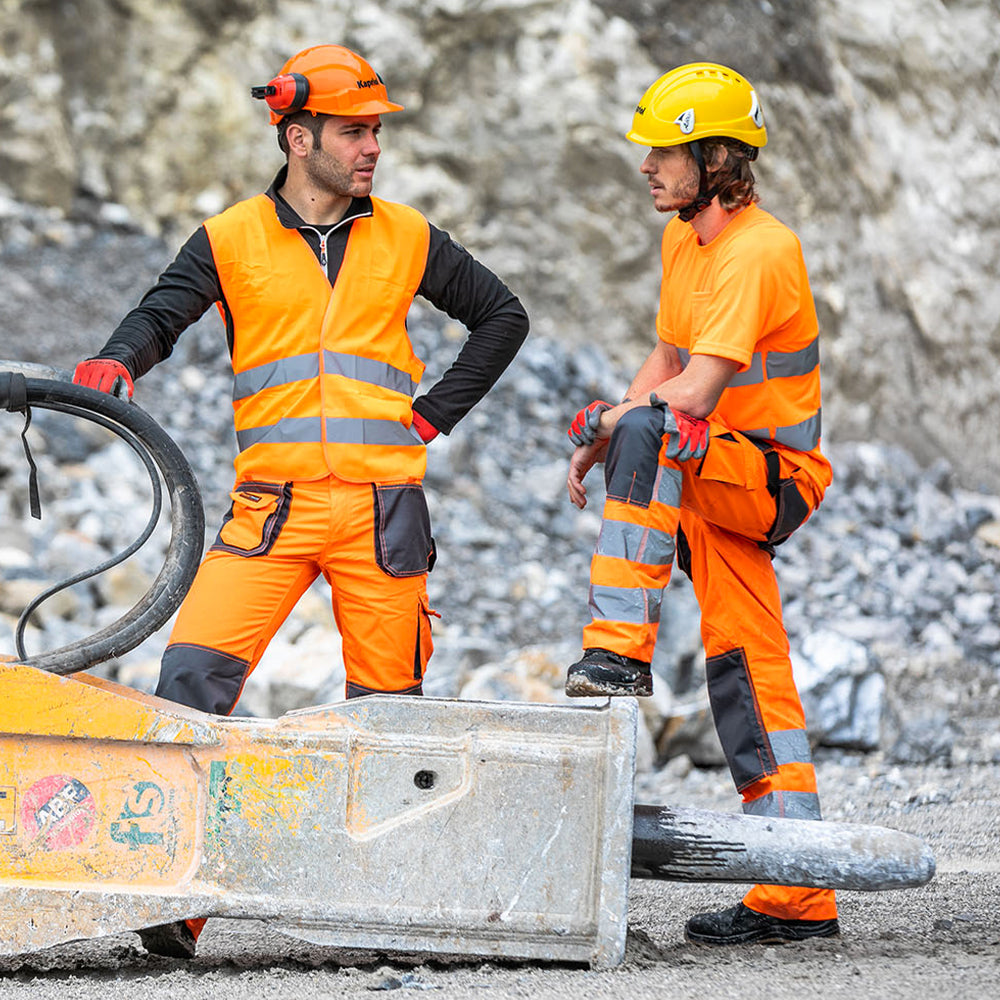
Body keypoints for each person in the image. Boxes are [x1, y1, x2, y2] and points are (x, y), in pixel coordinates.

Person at [73, 43, 528, 957]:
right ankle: (173, 905)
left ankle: (396, 913)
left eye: (375, 133)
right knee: (190, 684)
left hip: (380, 514)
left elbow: (502, 316)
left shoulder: (407, 235)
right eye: (354, 132)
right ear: (297, 136)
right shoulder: (231, 236)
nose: (371, 148)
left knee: (390, 716)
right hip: (269, 513)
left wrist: (433, 416)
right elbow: (162, 312)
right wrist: (119, 360)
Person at [563, 62, 839, 945]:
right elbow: (669, 355)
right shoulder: (686, 241)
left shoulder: (762, 248)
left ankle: (615, 652)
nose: (647, 165)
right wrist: (609, 429)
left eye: (664, 151)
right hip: (713, 465)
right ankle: (799, 895)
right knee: (748, 668)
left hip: (770, 476)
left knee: (655, 430)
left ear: (716, 160)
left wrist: (617, 423)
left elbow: (697, 391)